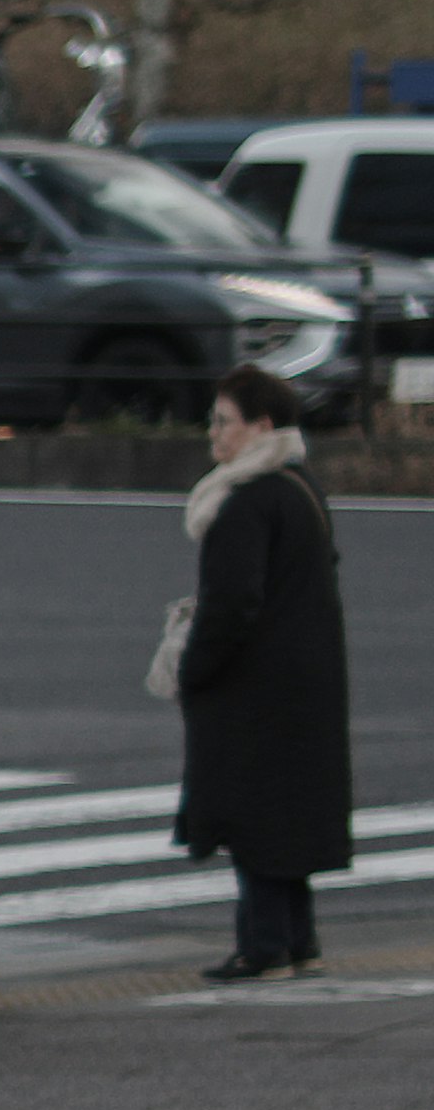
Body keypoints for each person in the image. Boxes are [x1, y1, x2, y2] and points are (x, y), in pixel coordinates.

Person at [175, 363, 353, 982]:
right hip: (304, 684)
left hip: (255, 689)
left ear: (262, 426)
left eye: (224, 422)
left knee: (251, 818)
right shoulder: (300, 488)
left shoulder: (246, 502)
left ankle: (263, 945)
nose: (213, 435)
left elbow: (232, 605)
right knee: (288, 821)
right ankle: (299, 941)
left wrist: (193, 669)